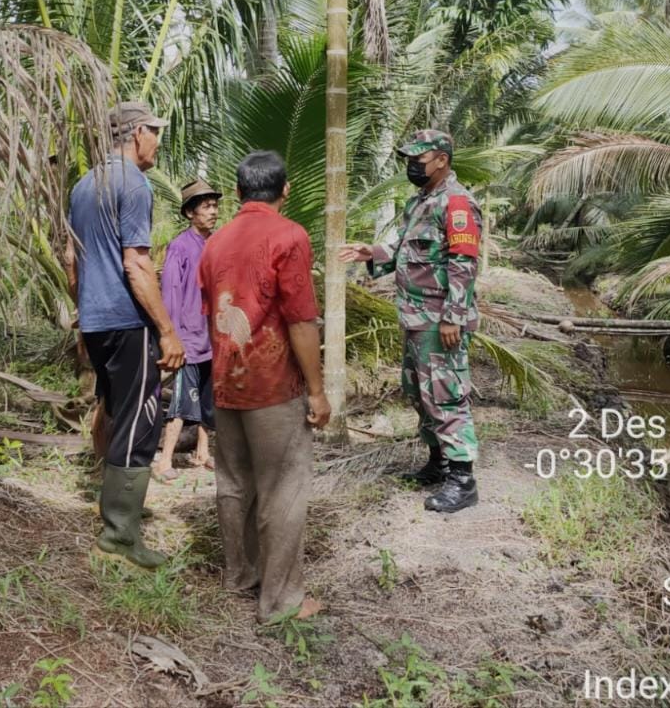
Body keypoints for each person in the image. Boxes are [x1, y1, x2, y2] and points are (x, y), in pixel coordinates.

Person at [198, 151, 330, 622]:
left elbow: (208, 309)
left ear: (237, 192)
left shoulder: (215, 242)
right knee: (284, 488)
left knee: (234, 484)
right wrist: (316, 390)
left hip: (225, 381)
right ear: (286, 190)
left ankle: (240, 575)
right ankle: (280, 601)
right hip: (273, 385)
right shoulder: (289, 235)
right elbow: (300, 320)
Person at [66, 101, 185, 568]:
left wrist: (83, 313)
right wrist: (168, 330)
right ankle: (119, 535)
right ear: (138, 133)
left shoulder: (83, 185)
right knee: (141, 421)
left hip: (96, 320)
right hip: (126, 321)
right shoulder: (133, 183)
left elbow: (72, 260)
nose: (158, 141)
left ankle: (118, 513)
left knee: (117, 411)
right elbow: (136, 263)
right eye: (155, 132)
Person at [339, 129, 481, 514]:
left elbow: (463, 263)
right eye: (409, 158)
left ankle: (463, 479)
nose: (411, 165)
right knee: (419, 392)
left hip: (440, 321)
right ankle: (438, 463)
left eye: (419, 158)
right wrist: (370, 252)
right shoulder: (420, 202)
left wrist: (453, 317)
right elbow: (404, 249)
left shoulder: (456, 203)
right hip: (416, 317)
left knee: (446, 394)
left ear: (441, 159)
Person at [154, 179, 222, 482]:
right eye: (206, 207)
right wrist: (171, 336)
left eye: (215, 205)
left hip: (213, 337)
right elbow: (170, 293)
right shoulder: (180, 247)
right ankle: (164, 460)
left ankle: (202, 454)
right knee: (181, 403)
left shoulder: (215, 244)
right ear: (189, 213)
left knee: (210, 400)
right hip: (188, 339)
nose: (213, 211)